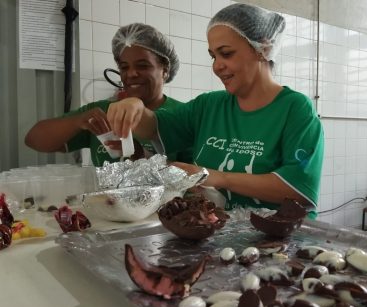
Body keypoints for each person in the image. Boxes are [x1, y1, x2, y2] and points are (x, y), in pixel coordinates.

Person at [107, 3, 324, 214]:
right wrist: (135, 107)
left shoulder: (295, 109)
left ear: (263, 49)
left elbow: (299, 189)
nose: (217, 66)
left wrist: (216, 177)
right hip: (221, 238)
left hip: (280, 242)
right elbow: (154, 126)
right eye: (213, 56)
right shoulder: (208, 106)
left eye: (226, 53)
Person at [24, 23, 192, 167]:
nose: (131, 73)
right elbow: (34, 139)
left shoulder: (183, 115)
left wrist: (141, 156)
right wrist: (78, 121)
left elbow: (198, 180)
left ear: (165, 70)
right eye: (124, 67)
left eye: (143, 66)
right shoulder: (102, 112)